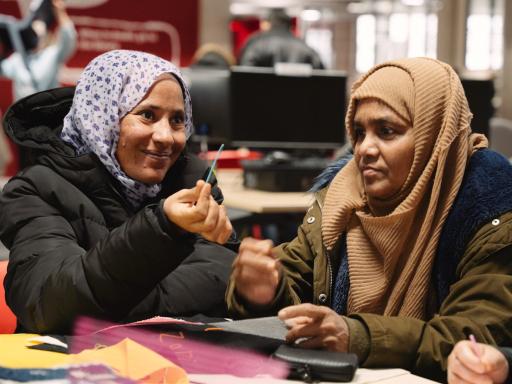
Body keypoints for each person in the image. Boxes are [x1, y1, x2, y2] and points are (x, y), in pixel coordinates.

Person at [227, 57, 512, 382]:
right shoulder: (342, 199)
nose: (364, 149)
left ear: (434, 135)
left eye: (387, 131)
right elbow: (294, 278)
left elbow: (472, 335)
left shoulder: (490, 211)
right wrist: (265, 289)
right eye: (359, 132)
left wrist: (359, 337)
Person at [0, 49, 237, 334]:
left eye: (177, 120)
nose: (165, 137)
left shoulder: (193, 179)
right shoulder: (35, 190)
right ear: (102, 118)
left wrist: (120, 302)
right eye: (147, 115)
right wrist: (161, 226)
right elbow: (51, 306)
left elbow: (224, 277)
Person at [0, 0, 76, 101]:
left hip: (46, 112)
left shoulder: (52, 54)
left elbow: (68, 37)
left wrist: (59, 12)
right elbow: (2, 69)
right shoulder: (18, 58)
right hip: (22, 114)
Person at [238, 8, 324, 69]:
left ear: (267, 24)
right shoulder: (305, 47)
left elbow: (243, 74)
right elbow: (322, 78)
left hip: (262, 94)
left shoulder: (255, 43)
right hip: (298, 94)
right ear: (290, 26)